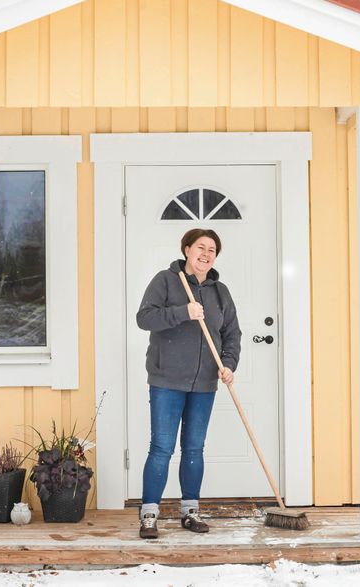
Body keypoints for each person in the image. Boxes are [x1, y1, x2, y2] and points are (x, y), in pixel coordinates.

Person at [134, 228, 242, 539]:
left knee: (194, 448)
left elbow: (232, 334)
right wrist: (183, 312)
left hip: (205, 382)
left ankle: (190, 511)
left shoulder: (221, 292)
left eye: (212, 250)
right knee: (161, 448)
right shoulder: (166, 281)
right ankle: (149, 514)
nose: (206, 254)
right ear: (186, 250)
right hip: (167, 380)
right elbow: (145, 318)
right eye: (200, 247)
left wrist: (229, 365)